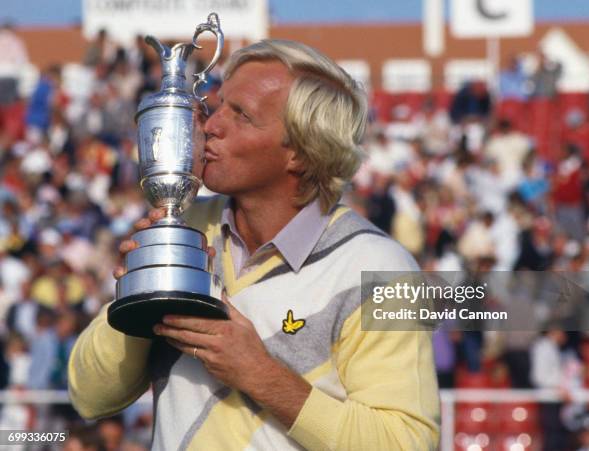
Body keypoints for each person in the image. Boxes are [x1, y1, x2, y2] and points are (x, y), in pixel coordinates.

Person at [68, 40, 440, 450]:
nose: (211, 125)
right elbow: (89, 396)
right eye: (219, 104)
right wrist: (140, 293)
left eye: (240, 115)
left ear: (299, 151)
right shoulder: (186, 227)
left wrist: (261, 375)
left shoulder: (383, 268)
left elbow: (407, 442)